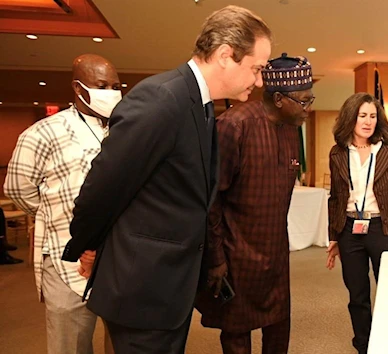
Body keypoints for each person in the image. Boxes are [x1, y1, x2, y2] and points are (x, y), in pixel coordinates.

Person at [60, 5, 272, 354]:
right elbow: (103, 187)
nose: (259, 80)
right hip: (142, 291)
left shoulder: (201, 105)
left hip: (168, 289)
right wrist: (88, 244)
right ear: (225, 56)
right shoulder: (162, 99)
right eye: (256, 68)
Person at [196, 53, 314, 354]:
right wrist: (216, 258)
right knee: (236, 332)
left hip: (275, 253)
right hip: (236, 255)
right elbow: (210, 200)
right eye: (303, 101)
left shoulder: (290, 128)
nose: (308, 109)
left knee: (279, 326)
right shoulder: (234, 127)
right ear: (277, 99)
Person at [3, 54, 120, 353]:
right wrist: (57, 215)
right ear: (79, 88)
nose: (111, 93)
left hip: (118, 257)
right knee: (71, 344)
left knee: (123, 342)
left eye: (115, 86)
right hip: (64, 254)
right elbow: (19, 188)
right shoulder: (44, 132)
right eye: (102, 85)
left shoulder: (125, 129)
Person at [325, 92, 388, 354]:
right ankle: (363, 346)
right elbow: (335, 198)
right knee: (357, 296)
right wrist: (334, 236)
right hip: (349, 230)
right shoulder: (338, 152)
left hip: (383, 228)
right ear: (351, 118)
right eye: (362, 116)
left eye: (372, 116)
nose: (368, 121)